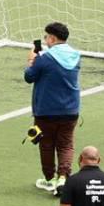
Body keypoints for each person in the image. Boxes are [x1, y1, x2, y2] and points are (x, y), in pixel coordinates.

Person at [23, 21, 81, 193]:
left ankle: (50, 179)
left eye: (46, 37)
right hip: (70, 110)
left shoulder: (44, 59)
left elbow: (29, 77)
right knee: (66, 145)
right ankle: (63, 178)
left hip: (46, 111)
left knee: (46, 144)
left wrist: (31, 61)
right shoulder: (76, 56)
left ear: (53, 38)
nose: (45, 40)